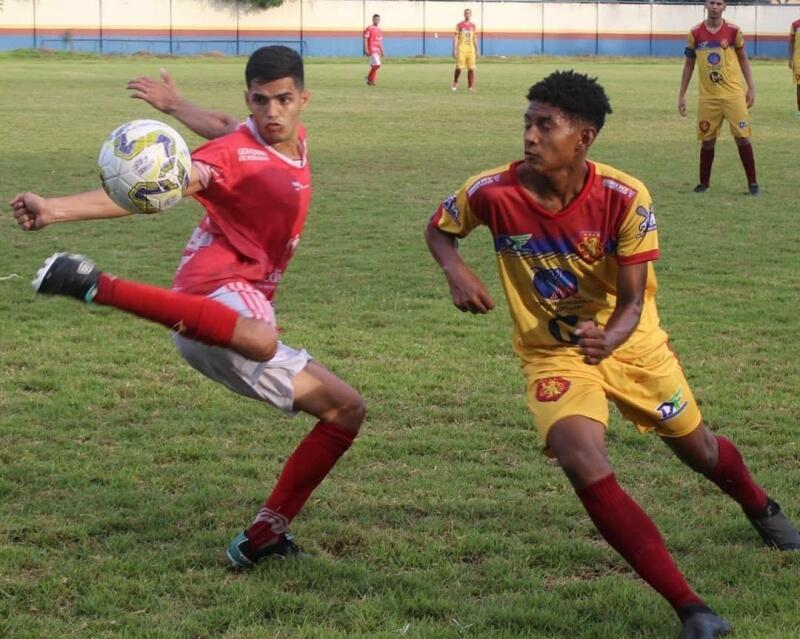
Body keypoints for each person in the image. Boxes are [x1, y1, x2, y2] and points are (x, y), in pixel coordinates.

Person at [426, 70, 799, 639]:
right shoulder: (490, 192)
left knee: (698, 451)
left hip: (635, 345)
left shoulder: (624, 196)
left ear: (585, 137)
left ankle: (760, 507)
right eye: (527, 122)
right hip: (553, 353)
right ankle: (692, 609)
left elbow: (630, 300)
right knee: (581, 457)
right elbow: (439, 229)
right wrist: (455, 270)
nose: (529, 136)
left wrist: (613, 339)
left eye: (545, 126)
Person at [10, 46, 366, 568]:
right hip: (215, 295)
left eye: (283, 100)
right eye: (261, 101)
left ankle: (265, 533)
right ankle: (91, 284)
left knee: (344, 411)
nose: (272, 112)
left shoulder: (273, 136)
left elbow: (222, 122)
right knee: (263, 339)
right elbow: (154, 189)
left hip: (209, 320)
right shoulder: (229, 158)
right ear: (250, 98)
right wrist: (55, 210)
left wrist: (176, 105)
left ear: (302, 100)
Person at [678, 0, 758, 195]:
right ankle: (703, 184)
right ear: (706, 5)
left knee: (742, 138)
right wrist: (682, 94)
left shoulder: (733, 31)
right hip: (708, 98)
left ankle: (753, 184)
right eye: (711, 2)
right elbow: (689, 64)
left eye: (719, 3)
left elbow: (743, 58)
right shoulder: (695, 33)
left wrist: (751, 87)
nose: (715, 7)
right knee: (707, 141)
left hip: (733, 96)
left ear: (725, 7)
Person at [451, 8, 479, 92]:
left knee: (471, 68)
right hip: (461, 49)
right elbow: (455, 38)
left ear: (471, 15)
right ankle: (455, 82)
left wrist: (477, 49)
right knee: (459, 68)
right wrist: (454, 50)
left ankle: (470, 87)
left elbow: (475, 38)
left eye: (469, 13)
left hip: (471, 50)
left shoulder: (473, 26)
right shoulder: (459, 25)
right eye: (466, 13)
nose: (467, 15)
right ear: (464, 14)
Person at [363, 14, 384, 87]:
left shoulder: (379, 29)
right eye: (375, 19)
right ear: (372, 20)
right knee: (378, 64)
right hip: (371, 49)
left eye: (377, 19)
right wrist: (366, 49)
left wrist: (382, 50)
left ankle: (370, 81)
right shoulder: (369, 28)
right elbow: (365, 39)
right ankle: (369, 78)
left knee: (375, 66)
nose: (376, 21)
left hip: (377, 50)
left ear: (379, 20)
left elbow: (380, 41)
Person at [789, 17, 800, 114]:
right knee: (799, 85)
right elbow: (791, 41)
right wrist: (790, 58)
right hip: (798, 60)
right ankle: (799, 110)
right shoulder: (795, 24)